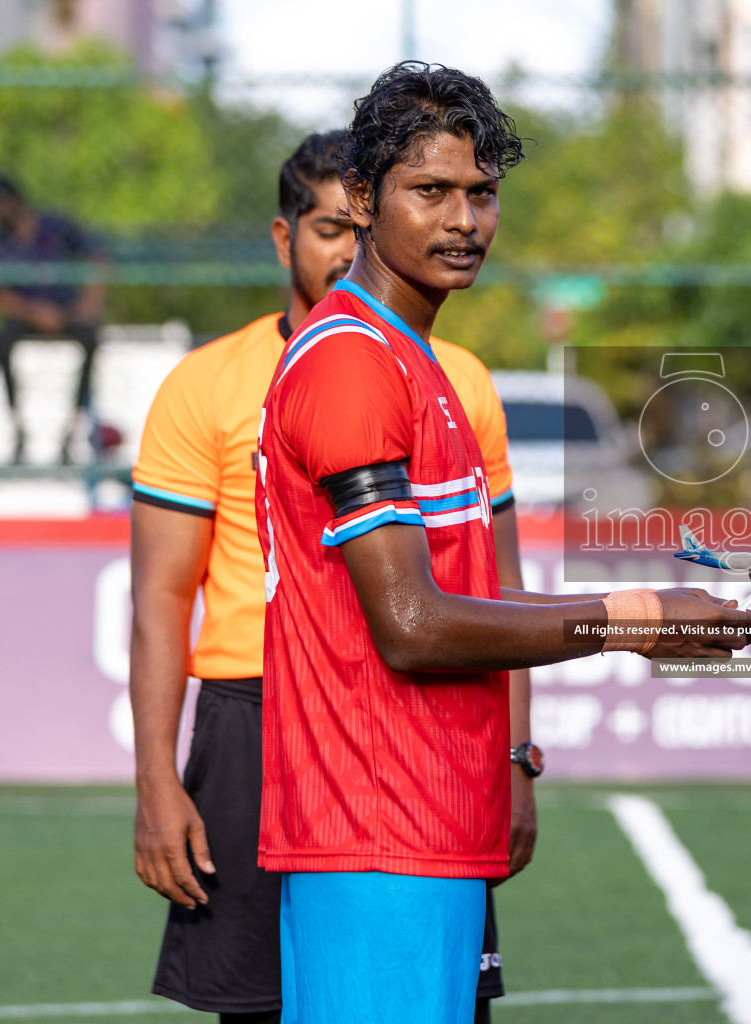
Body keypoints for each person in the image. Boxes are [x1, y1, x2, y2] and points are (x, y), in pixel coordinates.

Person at [257, 62, 751, 1023]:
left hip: (426, 821)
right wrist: (636, 620)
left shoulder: (420, 360)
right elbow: (412, 625)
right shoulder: (353, 363)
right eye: (430, 191)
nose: (463, 222)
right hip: (372, 833)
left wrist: (668, 612)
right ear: (362, 200)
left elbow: (471, 594)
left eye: (481, 194)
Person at [130, 131, 531, 1023]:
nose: (348, 248)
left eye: (480, 194)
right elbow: (162, 593)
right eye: (329, 228)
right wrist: (158, 779)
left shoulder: (453, 376)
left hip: (409, 726)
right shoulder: (224, 380)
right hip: (260, 716)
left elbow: (490, 587)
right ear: (285, 239)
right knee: (269, 1002)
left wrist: (515, 758)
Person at [0, 174, 108, 462]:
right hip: (26, 313)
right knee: (0, 343)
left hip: (66, 310)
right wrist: (33, 313)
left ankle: (74, 426)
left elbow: (97, 257)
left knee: (90, 339)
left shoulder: (56, 226)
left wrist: (88, 302)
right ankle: (18, 427)